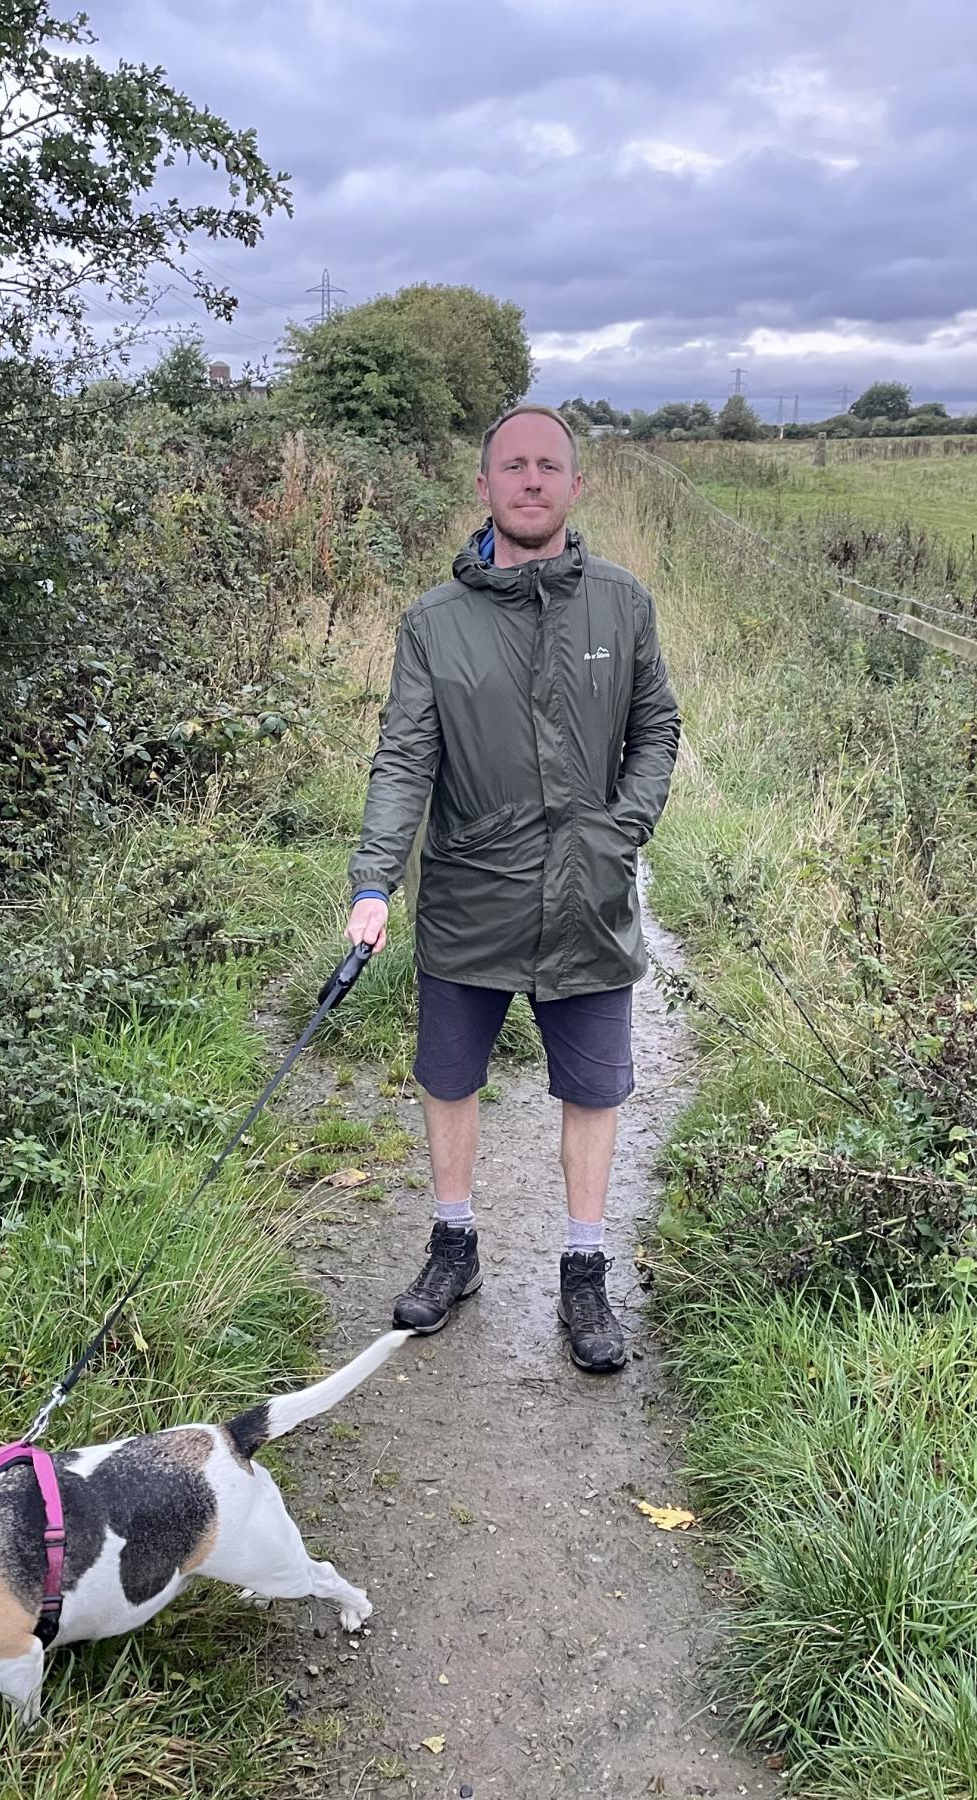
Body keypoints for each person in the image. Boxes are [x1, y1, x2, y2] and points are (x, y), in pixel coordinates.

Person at [344, 403, 681, 1373]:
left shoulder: (622, 603)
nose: (532, 481)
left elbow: (656, 727)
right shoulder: (433, 624)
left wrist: (624, 828)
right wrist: (375, 881)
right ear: (485, 486)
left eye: (550, 466)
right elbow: (405, 758)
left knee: (594, 1087)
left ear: (577, 485)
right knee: (449, 1077)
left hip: (589, 895)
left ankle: (584, 1267)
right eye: (513, 467)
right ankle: (454, 1243)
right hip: (470, 893)